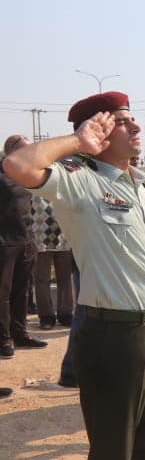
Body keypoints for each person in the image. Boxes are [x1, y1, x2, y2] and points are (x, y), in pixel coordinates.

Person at [3, 92, 145, 460]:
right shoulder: (80, 183)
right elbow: (18, 164)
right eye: (121, 122)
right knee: (113, 453)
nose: (135, 128)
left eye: (132, 120)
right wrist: (77, 142)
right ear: (97, 133)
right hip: (114, 336)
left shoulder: (143, 189)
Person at [0, 134, 47, 360]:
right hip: (4, 242)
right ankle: (3, 338)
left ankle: (20, 334)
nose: (31, 152)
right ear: (10, 151)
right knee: (3, 293)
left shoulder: (27, 173)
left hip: (26, 240)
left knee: (22, 291)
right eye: (25, 148)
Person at [31, 190, 74, 330]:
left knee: (65, 278)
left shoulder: (64, 184)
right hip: (39, 236)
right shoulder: (32, 185)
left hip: (64, 236)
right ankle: (46, 316)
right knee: (41, 278)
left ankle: (66, 314)